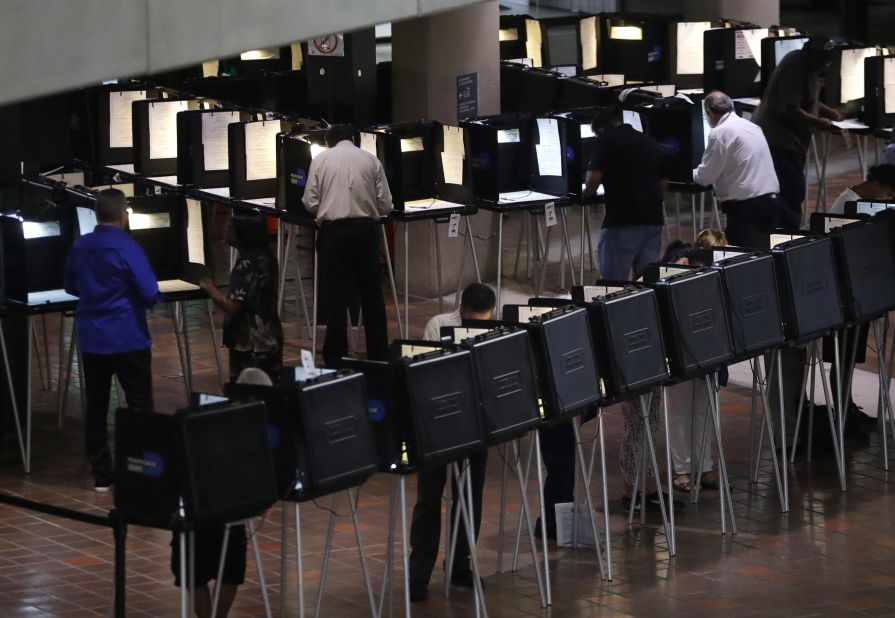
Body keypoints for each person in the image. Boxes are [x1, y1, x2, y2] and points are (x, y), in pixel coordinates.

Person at [63, 188, 162, 491]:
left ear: (96, 214)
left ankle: (102, 473)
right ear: (123, 215)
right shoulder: (128, 248)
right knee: (140, 403)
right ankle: (142, 468)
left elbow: (70, 285)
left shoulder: (81, 246)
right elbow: (149, 292)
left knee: (96, 403)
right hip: (128, 335)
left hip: (93, 338)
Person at [409, 283, 495, 602]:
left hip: (475, 424)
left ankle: (459, 563)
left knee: (470, 498)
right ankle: (419, 574)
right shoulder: (439, 325)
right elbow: (429, 374)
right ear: (462, 312)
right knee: (429, 499)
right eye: (474, 320)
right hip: (438, 425)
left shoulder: (495, 328)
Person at [168, 365, 273, 618]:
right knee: (228, 570)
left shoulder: (210, 414)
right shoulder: (255, 425)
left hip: (201, 503)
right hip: (220, 507)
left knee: (199, 571)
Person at [302, 123, 393, 367]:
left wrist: (326, 206)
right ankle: (378, 356)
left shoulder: (321, 160)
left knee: (336, 297)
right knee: (372, 297)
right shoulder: (371, 160)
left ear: (329, 141)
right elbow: (385, 204)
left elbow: (309, 201)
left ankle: (336, 357)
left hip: (334, 233)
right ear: (354, 139)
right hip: (365, 233)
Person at [754, 35, 843, 232]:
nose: (826, 66)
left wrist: (828, 112)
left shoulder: (807, 66)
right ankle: (785, 238)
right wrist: (821, 123)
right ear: (813, 55)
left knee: (792, 191)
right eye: (824, 61)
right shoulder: (796, 66)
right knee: (790, 192)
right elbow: (790, 108)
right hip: (780, 142)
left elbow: (807, 99)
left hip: (792, 142)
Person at [585, 105, 669, 280]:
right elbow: (663, 181)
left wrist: (588, 193)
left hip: (622, 220)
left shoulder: (605, 140)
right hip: (653, 220)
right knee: (648, 281)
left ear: (600, 130)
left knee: (613, 285)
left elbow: (593, 180)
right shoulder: (649, 141)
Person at [200, 211, 283, 381]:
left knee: (246, 393)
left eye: (230, 228)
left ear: (243, 232)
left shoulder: (245, 264)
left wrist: (210, 288)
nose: (226, 230)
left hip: (249, 343)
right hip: (271, 336)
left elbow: (232, 306)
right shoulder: (268, 258)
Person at [693, 91, 781, 247]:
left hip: (747, 208)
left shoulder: (719, 133)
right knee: (767, 257)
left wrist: (690, 172)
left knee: (742, 259)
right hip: (771, 201)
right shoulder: (752, 127)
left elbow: (705, 177)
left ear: (710, 113)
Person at [829, 163, 895, 213]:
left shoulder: (855, 196)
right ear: (876, 183)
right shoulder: (851, 205)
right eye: (889, 194)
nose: (890, 198)